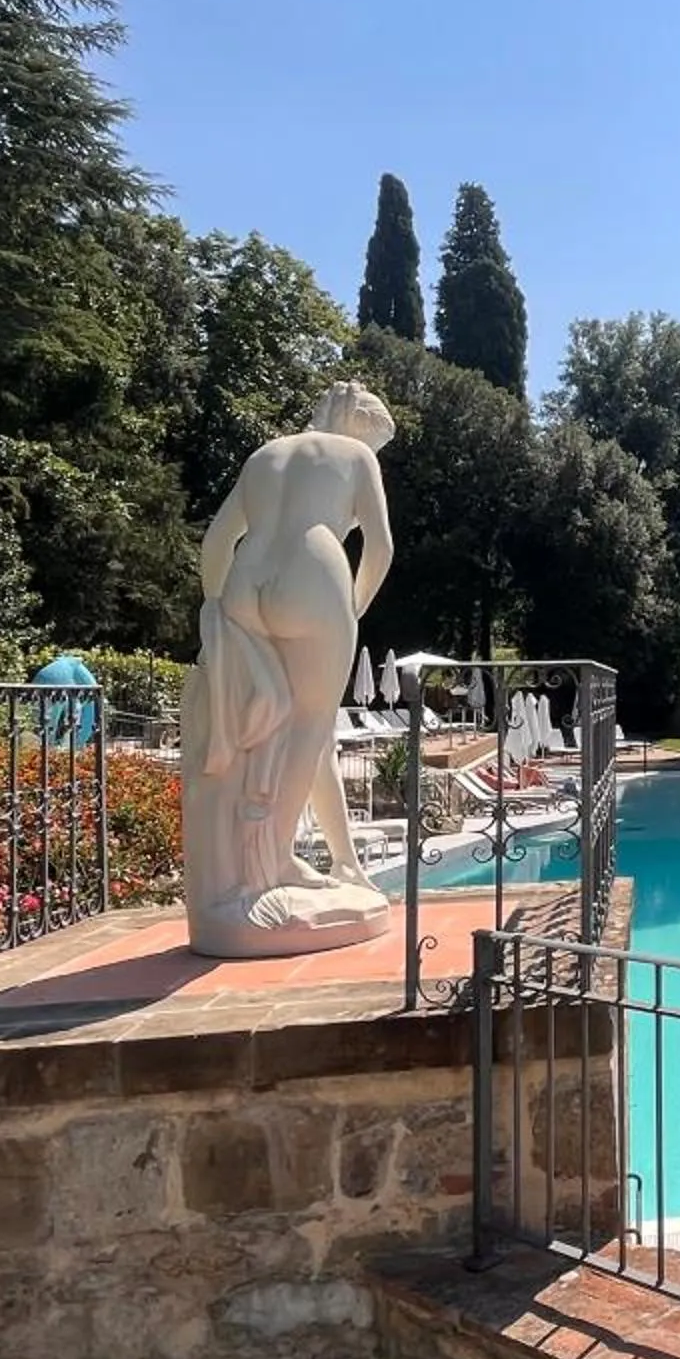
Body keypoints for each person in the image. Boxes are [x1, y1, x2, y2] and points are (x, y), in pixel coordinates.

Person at [185, 381, 397, 955]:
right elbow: (379, 550)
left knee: (286, 728)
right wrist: (349, 609)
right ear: (362, 432)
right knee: (307, 724)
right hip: (315, 577)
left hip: (244, 583)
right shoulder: (353, 457)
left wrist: (215, 618)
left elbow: (217, 542)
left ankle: (329, 859)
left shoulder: (265, 455)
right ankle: (271, 863)